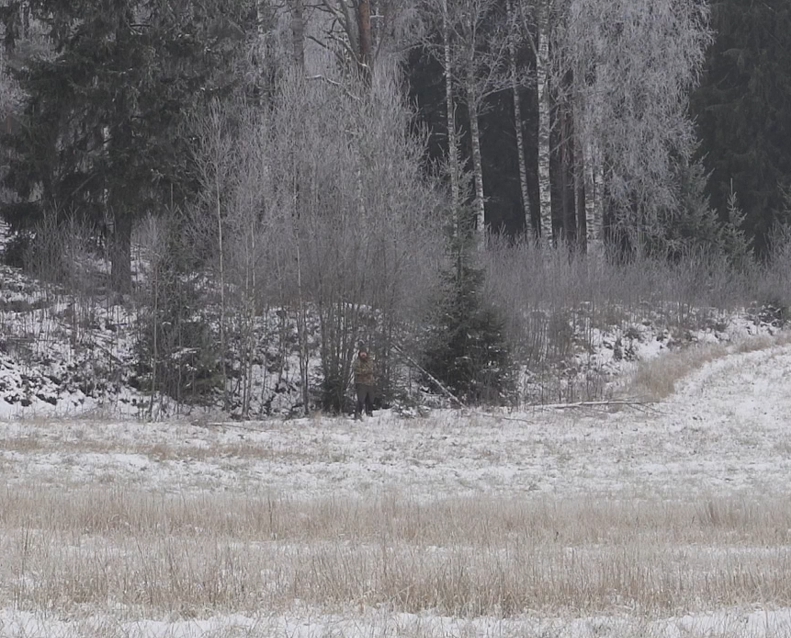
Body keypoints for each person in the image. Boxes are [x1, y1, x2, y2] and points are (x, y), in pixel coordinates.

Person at [353, 349, 376, 420]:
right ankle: (358, 414)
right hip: (361, 383)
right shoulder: (357, 362)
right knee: (361, 399)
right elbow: (356, 370)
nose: (363, 355)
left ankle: (369, 414)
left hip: (370, 383)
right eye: (362, 353)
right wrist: (366, 371)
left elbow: (374, 369)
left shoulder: (370, 361)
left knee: (370, 400)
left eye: (364, 353)